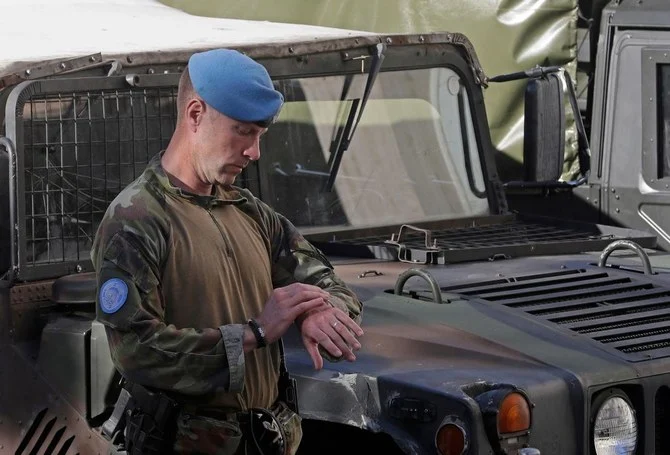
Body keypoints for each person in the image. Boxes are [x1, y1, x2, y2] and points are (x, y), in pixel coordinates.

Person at [92, 48, 363, 455]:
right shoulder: (136, 220)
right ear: (196, 114)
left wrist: (319, 310)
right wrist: (253, 333)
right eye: (243, 132)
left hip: (267, 438)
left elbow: (327, 282)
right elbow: (138, 351)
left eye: (259, 136)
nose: (254, 153)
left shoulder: (250, 212)